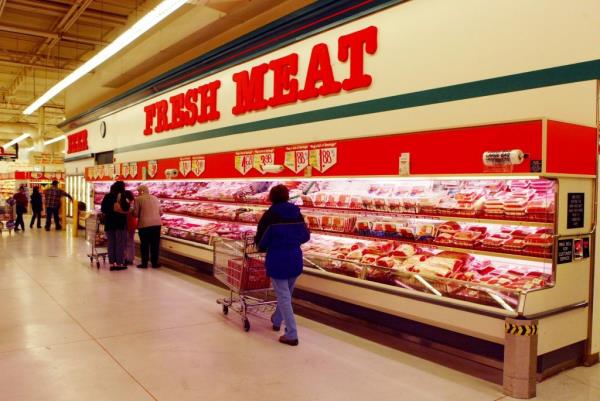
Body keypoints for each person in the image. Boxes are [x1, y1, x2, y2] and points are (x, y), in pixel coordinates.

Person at [255, 184, 310, 346]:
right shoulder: (296, 212)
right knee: (286, 295)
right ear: (287, 196)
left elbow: (261, 242)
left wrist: (264, 246)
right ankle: (277, 319)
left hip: (277, 259)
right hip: (295, 258)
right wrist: (292, 241)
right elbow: (305, 236)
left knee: (284, 297)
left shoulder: (269, 216)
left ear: (271, 197)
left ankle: (292, 334)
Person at [100, 181, 131, 271]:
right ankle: (119, 263)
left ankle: (112, 263)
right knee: (119, 243)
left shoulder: (107, 196)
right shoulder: (122, 196)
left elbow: (103, 209)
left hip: (109, 223)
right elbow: (126, 208)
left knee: (111, 243)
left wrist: (110, 211)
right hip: (119, 223)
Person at [133, 185, 162, 269]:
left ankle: (144, 263)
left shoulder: (138, 199)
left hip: (144, 224)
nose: (138, 193)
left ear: (141, 191)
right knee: (155, 244)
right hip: (157, 224)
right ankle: (154, 263)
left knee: (144, 244)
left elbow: (136, 213)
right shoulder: (155, 198)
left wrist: (131, 211)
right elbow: (161, 212)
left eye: (138, 191)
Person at [124, 190, 137, 266]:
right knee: (131, 242)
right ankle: (130, 258)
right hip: (133, 223)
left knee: (127, 242)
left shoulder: (128, 203)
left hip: (128, 223)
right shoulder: (134, 202)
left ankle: (127, 258)